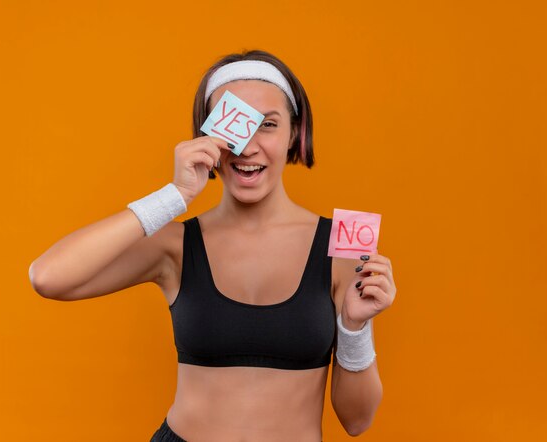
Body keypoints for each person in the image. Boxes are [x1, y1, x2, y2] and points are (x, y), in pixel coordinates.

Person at [29, 49, 397, 441]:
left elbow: (356, 422)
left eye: (268, 125)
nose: (247, 147)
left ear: (295, 131)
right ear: (207, 137)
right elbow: (49, 277)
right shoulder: (176, 246)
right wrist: (174, 196)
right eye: (235, 128)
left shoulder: (340, 250)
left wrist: (356, 327)